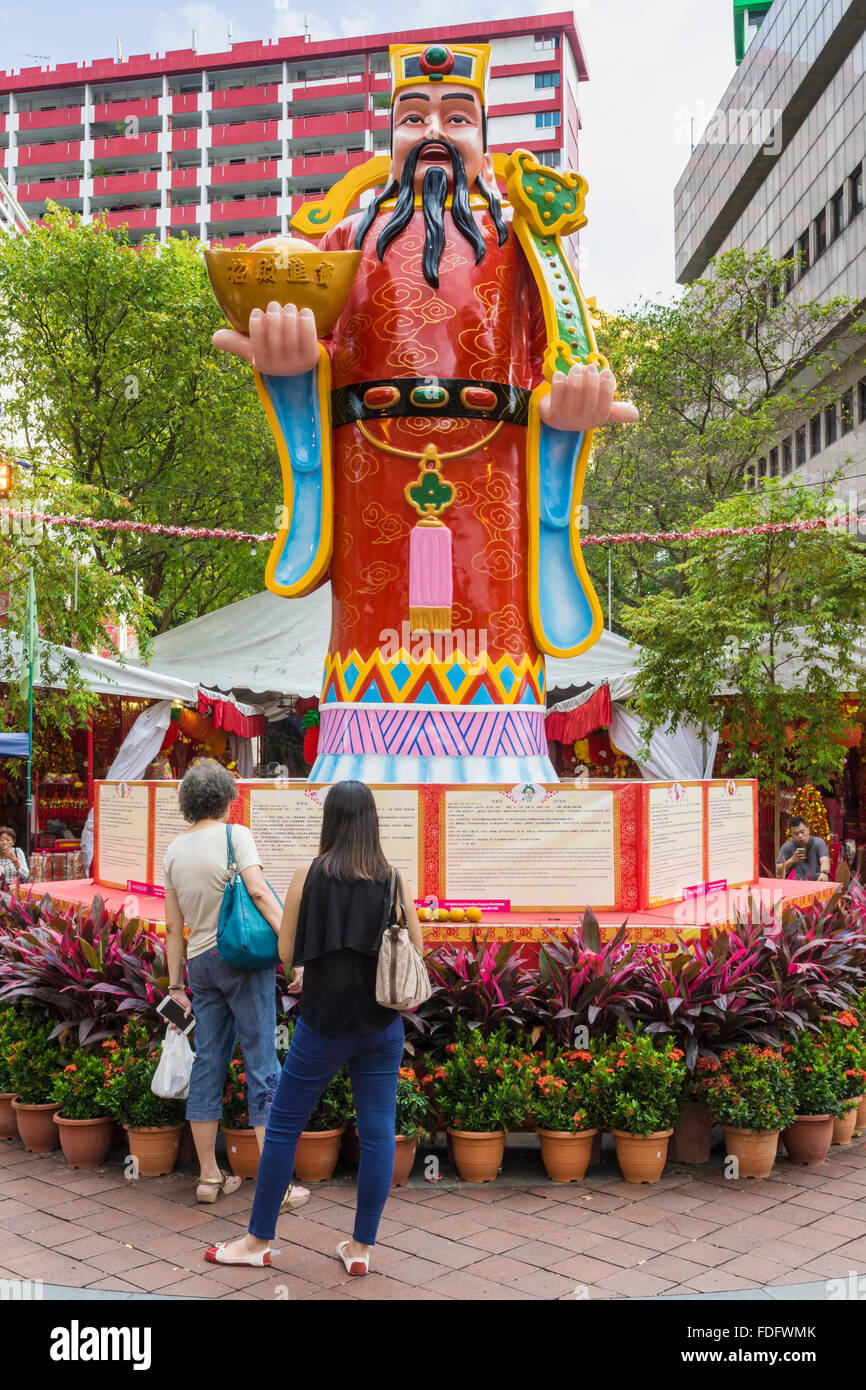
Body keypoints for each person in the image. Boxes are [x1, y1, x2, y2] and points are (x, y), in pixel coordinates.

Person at [213, 39, 638, 786]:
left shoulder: (523, 245)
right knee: (373, 632)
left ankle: (505, 777)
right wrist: (290, 368)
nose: (435, 131)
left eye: (457, 116)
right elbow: (320, 348)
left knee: (490, 638)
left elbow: (560, 357)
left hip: (496, 477)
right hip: (369, 466)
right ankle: (359, 777)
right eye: (413, 116)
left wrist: (570, 410)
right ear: (390, 137)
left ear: (484, 137)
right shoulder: (345, 240)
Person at [204, 779, 425, 1275]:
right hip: (380, 1026)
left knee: (283, 1127)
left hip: (321, 1026)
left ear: (329, 819)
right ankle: (361, 1248)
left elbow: (286, 955)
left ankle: (258, 1240)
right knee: (377, 1134)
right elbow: (417, 948)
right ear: (372, 821)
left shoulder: (308, 874)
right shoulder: (392, 878)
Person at [163, 759, 308, 1208]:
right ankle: (277, 1183)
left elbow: (173, 928)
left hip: (201, 966)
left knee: (209, 1062)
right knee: (262, 1059)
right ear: (227, 798)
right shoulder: (235, 835)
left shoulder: (173, 850)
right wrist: (294, 954)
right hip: (242, 963)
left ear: (189, 802)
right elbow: (261, 894)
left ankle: (209, 1177)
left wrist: (174, 986)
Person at [775, 816, 831, 882]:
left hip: (816, 881)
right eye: (796, 834)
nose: (800, 836)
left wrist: (824, 873)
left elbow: (824, 860)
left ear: (808, 830)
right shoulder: (787, 846)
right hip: (795, 883)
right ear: (791, 835)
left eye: (802, 832)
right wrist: (792, 860)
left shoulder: (818, 842)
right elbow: (778, 869)